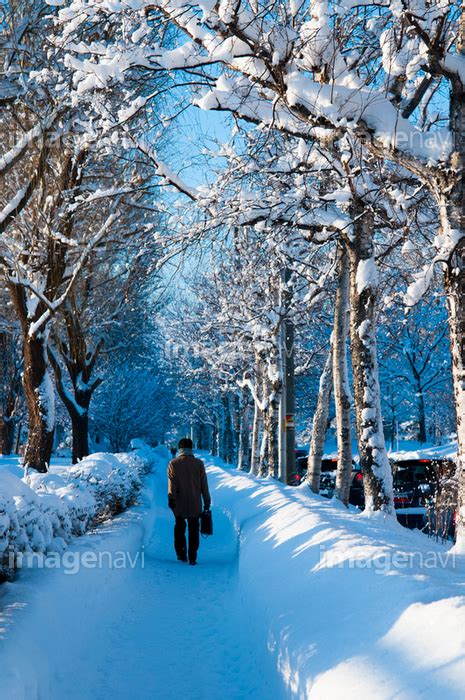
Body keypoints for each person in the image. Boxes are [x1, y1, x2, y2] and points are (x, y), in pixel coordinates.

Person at [167, 437, 211, 565]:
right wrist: (207, 502)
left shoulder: (173, 464)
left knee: (179, 529)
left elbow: (171, 485)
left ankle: (181, 554)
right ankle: (192, 556)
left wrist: (171, 499)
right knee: (193, 529)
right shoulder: (199, 464)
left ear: (180, 449)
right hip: (195, 504)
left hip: (178, 504)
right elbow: (204, 486)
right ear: (191, 449)